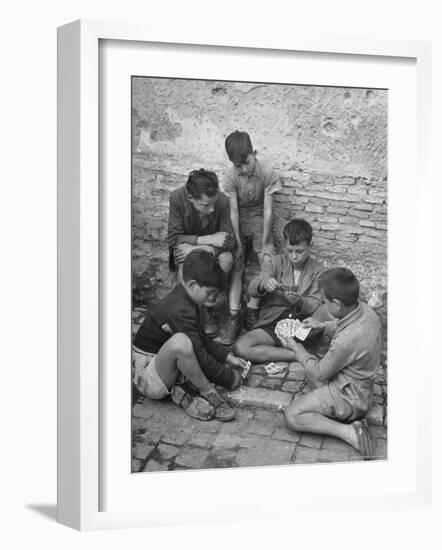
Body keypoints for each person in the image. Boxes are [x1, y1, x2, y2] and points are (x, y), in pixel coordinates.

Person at [133, 250, 248, 422]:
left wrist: (227, 357)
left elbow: (201, 338)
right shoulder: (180, 310)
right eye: (209, 293)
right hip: (146, 376)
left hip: (161, 364)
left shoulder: (186, 297)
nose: (213, 299)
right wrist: (229, 378)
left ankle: (181, 388)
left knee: (188, 344)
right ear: (192, 285)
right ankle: (207, 392)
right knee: (182, 344)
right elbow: (199, 353)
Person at [281, 267, 382, 459]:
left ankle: (350, 431)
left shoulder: (346, 340)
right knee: (312, 369)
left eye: (326, 303)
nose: (324, 307)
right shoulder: (367, 311)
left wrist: (296, 348)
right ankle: (334, 413)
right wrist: (323, 325)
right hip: (361, 386)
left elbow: (320, 373)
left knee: (292, 416)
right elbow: (346, 325)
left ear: (337, 304)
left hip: (351, 397)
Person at [220, 131, 282, 345]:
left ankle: (253, 308)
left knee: (268, 261)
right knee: (237, 263)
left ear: (253, 153)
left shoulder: (267, 172)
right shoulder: (229, 177)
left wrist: (265, 242)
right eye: (238, 167)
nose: (244, 169)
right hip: (238, 219)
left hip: (259, 216)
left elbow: (267, 211)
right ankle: (234, 314)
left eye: (246, 163)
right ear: (232, 164)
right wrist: (237, 243)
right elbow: (233, 212)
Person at [233, 218, 324, 363]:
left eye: (299, 251)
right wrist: (264, 284)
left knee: (318, 329)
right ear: (284, 246)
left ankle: (289, 348)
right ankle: (297, 355)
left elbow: (316, 303)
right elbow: (252, 288)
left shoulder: (317, 269)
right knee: (240, 348)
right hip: (274, 322)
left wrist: (300, 301)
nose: (294, 256)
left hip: (302, 325)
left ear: (310, 246)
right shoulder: (276, 262)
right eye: (290, 251)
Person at [167, 168, 235, 337]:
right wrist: (207, 239)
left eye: (213, 203)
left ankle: (207, 310)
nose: (212, 209)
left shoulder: (222, 201)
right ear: (191, 198)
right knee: (183, 255)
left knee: (227, 260)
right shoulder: (177, 198)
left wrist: (199, 247)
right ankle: (187, 312)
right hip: (188, 252)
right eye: (206, 205)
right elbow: (174, 239)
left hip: (210, 252)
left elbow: (229, 240)